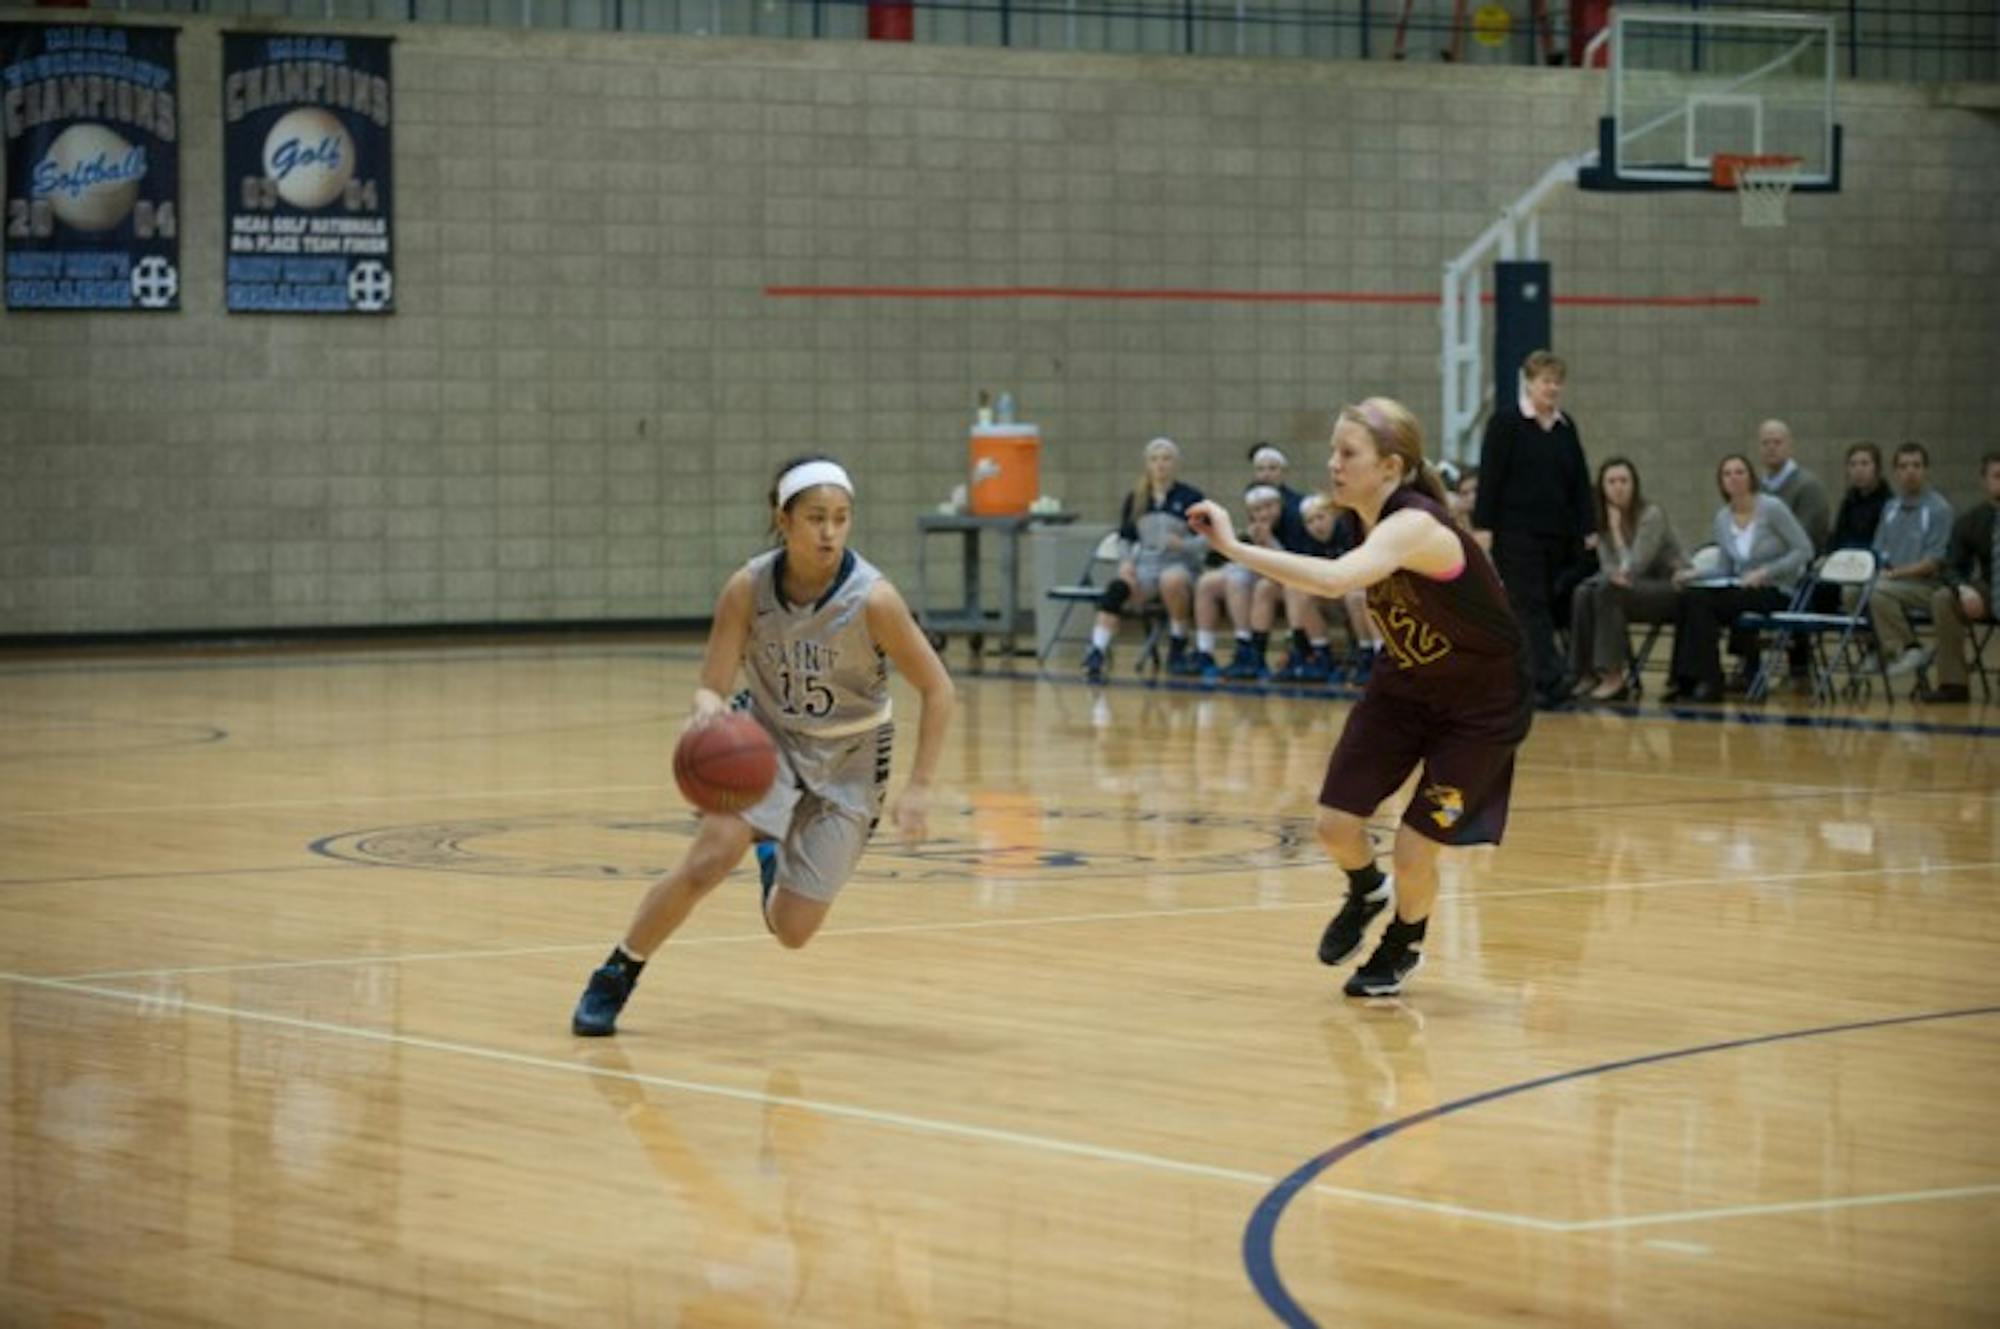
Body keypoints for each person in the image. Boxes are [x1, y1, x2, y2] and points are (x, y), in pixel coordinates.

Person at [572, 456, 955, 1037]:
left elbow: (938, 688)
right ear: (784, 520)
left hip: (851, 758)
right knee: (708, 859)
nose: (829, 532)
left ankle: (772, 859)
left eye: (841, 518)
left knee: (794, 931)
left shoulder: (874, 601)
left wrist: (920, 787)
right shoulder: (747, 589)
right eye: (816, 518)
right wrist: (706, 714)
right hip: (765, 743)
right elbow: (712, 685)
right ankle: (617, 972)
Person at [1187, 397, 1531, 998]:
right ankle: (1365, 890)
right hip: (1403, 687)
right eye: (1332, 451)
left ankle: (1405, 939)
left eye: (1348, 454)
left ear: (1391, 468)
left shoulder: (1415, 526)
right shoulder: (1360, 513)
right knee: (1334, 824)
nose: (1333, 464)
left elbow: (1336, 580)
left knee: (1414, 845)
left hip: (1480, 707)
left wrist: (1233, 549)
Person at [1471, 350, 1594, 709]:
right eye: (1545, 381)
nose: (1552, 388)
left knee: (1545, 604)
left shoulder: (1565, 426)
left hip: (1557, 532)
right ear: (1528, 382)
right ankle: (1550, 678)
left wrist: (1588, 526)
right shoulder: (1506, 423)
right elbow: (1491, 476)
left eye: (1557, 382)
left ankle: (1530, 679)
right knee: (1530, 604)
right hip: (1515, 532)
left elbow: (1579, 481)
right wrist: (1483, 525)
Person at [1663, 454, 1815, 703]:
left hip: (1776, 589)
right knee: (1690, 596)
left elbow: (1804, 550)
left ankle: (1709, 680)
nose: (1734, 478)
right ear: (1721, 482)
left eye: (1739, 472)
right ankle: (1685, 679)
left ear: (1751, 477)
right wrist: (1695, 573)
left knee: (1704, 602)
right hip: (1740, 588)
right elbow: (1725, 568)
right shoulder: (1723, 518)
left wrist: (1766, 572)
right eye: (1727, 474)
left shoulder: (1772, 508)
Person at [1083, 436, 1205, 683]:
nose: (1160, 465)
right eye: (1155, 459)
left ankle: (1178, 643)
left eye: (1166, 459)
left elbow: (1208, 541)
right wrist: (1126, 564)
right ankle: (1096, 650)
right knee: (1117, 589)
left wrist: (1184, 544)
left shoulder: (1192, 497)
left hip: (1179, 564)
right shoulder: (1137, 498)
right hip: (1146, 567)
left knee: (1172, 581)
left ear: (1175, 463)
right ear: (1147, 464)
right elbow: (1125, 539)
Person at [1569, 457, 1684, 702]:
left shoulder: (1651, 515)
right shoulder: (1601, 520)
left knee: (1607, 591)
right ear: (1603, 487)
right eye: (1611, 481)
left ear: (1634, 484)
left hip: (1667, 587)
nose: (1618, 487)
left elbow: (1635, 567)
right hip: (1627, 590)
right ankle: (1585, 673)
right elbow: (1610, 569)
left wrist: (1618, 533)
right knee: (1583, 591)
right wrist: (1609, 533)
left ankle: (1613, 676)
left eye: (1624, 481)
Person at [1860, 442, 1955, 679]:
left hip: (1928, 587)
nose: (1910, 471)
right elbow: (1879, 551)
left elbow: (1934, 561)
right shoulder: (1890, 507)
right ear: (1895, 472)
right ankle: (1876, 648)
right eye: (1903, 466)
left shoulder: (1938, 509)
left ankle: (1909, 647)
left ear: (1926, 470)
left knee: (1877, 591)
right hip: (1895, 582)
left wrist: (1895, 574)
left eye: (1916, 465)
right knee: (1852, 591)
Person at [1917, 452, 1999, 704]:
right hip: (1990, 588)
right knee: (1944, 598)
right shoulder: (1972, 520)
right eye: (1997, 476)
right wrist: (1963, 588)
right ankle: (1954, 683)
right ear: (1984, 481)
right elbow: (1951, 565)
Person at [1274, 494, 1379, 683]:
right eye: (1310, 521)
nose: (1316, 525)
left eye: (1320, 517)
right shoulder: (1305, 542)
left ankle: (1368, 653)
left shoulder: (1350, 532)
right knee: (1295, 587)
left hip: (1357, 593)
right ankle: (1317, 653)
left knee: (1356, 595)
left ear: (1333, 516)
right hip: (1332, 597)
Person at [1190, 482, 1288, 680]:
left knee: (1251, 583)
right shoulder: (1249, 532)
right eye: (1258, 509)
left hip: (1289, 582)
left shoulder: (1293, 523)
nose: (1264, 513)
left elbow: (1293, 564)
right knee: (1209, 583)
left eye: (1269, 506)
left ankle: (1253, 651)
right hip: (1257, 577)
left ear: (1280, 505)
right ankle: (1206, 651)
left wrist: (1269, 542)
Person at [1757, 419, 1832, 550]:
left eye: (1777, 442)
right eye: (1765, 443)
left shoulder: (1809, 486)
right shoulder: (1756, 488)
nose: (1771, 447)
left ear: (1790, 447)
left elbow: (1803, 536)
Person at [1828, 442, 1891, 552]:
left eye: (1865, 464)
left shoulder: (1888, 503)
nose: (1858, 470)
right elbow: (1837, 537)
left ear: (1877, 468)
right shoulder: (1848, 501)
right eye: (1853, 464)